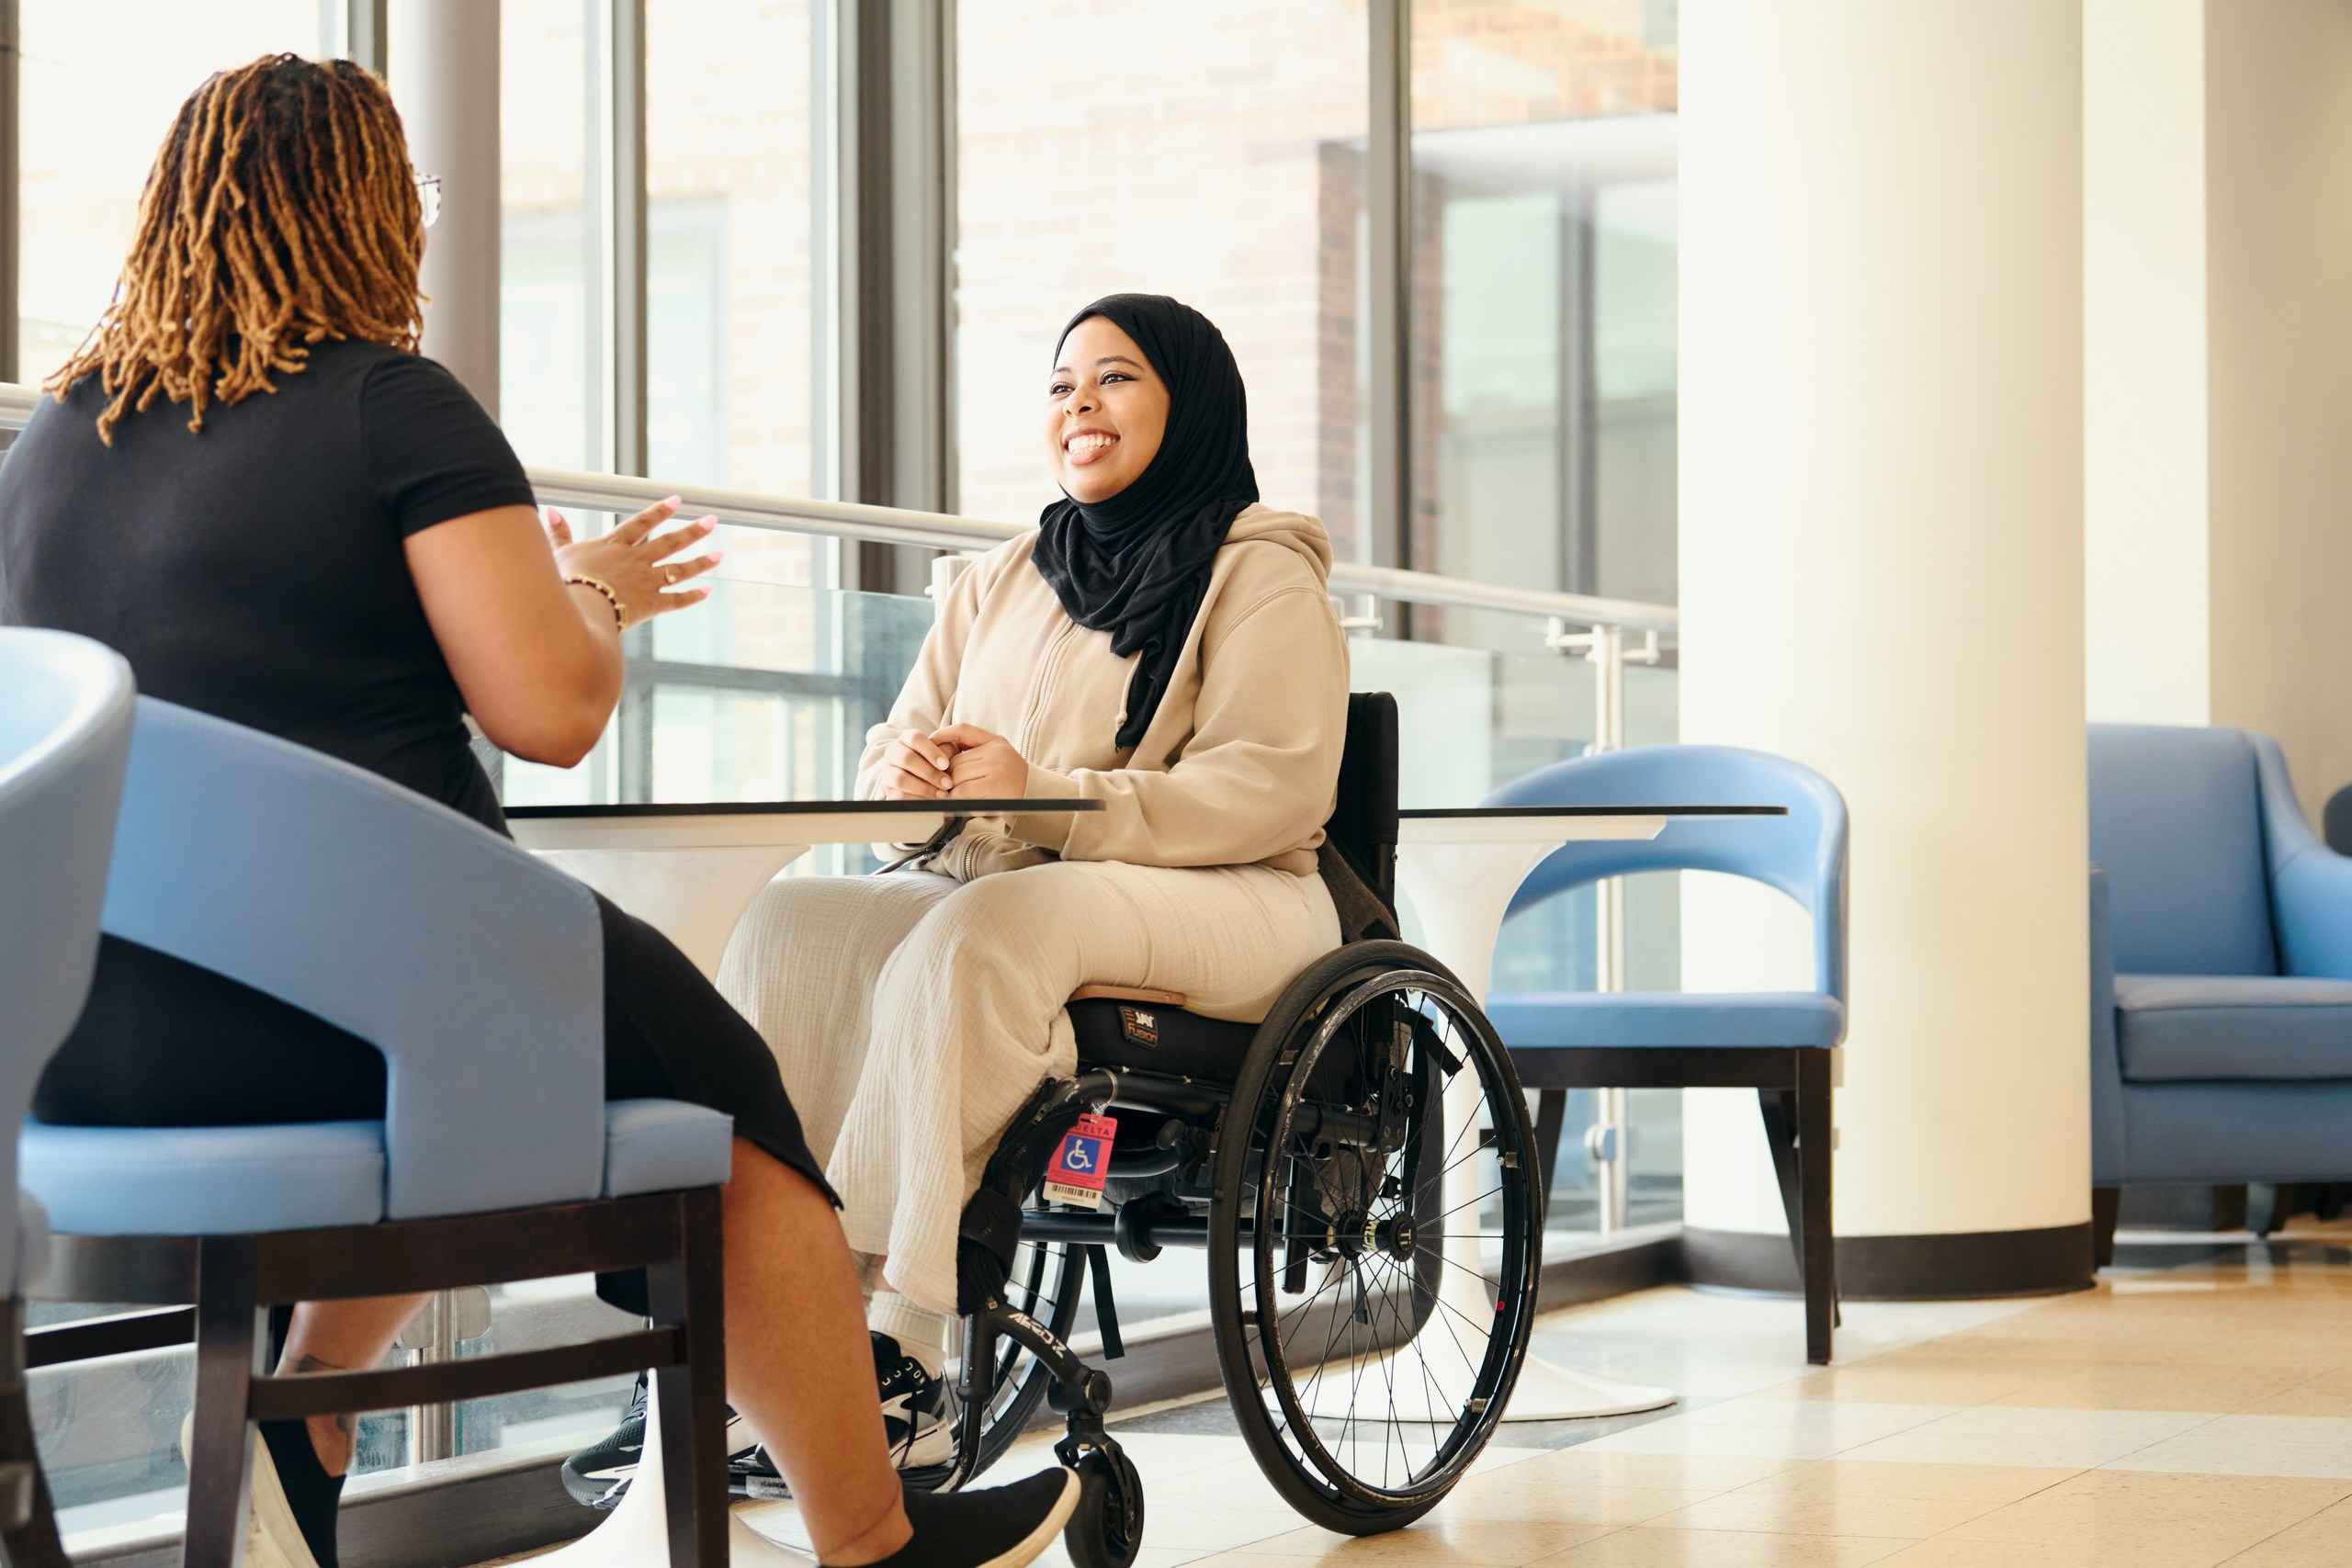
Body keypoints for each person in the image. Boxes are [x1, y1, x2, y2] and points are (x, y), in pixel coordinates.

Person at [0, 54, 1074, 1568]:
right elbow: (550, 711)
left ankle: (301, 1417)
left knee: (492, 1024)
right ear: (373, 213)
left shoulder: (52, 444)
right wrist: (590, 591)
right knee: (728, 1103)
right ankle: (875, 1540)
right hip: (362, 1012)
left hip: (85, 1045)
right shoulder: (391, 408)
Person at [568, 292, 1353, 1502]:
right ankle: (758, 1332)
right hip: (1018, 880)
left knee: (983, 932)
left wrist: (1039, 793)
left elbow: (1267, 791)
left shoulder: (1262, 574)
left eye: (1116, 379)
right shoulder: (999, 579)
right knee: (792, 921)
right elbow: (902, 759)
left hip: (1230, 897)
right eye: (1060, 386)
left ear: (1187, 403)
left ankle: (899, 1359)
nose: (1079, 406)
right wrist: (913, 776)